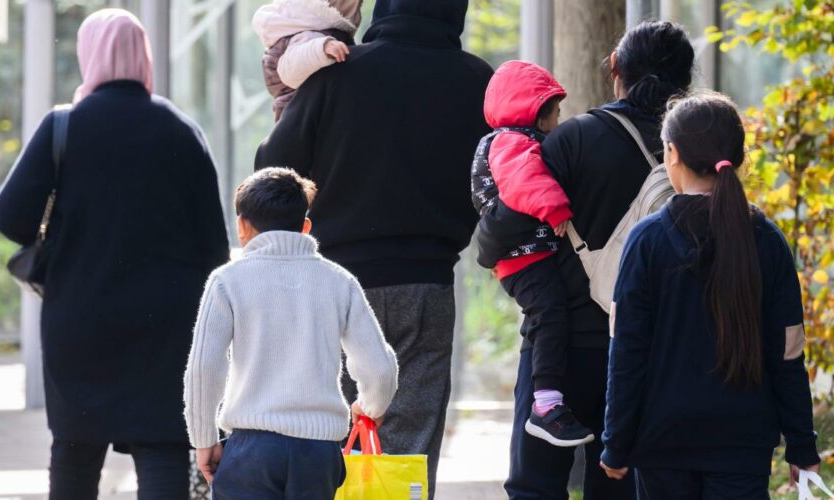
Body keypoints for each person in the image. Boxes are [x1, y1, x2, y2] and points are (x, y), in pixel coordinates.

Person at [254, 0, 493, 496]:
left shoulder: (338, 68)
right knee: (407, 443)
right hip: (427, 282)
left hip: (333, 282)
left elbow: (272, 166)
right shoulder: (476, 81)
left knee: (327, 433)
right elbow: (490, 179)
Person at [0, 9, 229, 499]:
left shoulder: (63, 127)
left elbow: (10, 219)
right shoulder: (182, 133)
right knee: (164, 448)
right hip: (164, 327)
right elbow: (213, 247)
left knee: (76, 454)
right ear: (143, 57)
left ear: (88, 55)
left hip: (80, 321)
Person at [505, 21, 696, 499]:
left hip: (560, 346)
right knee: (619, 487)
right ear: (686, 81)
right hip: (647, 348)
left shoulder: (572, 139)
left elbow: (506, 228)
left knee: (535, 484)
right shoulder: (694, 154)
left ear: (617, 71)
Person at [600, 91, 821, 498]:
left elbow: (627, 351)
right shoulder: (767, 240)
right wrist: (801, 445)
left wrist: (616, 442)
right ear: (736, 157)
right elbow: (788, 353)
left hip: (662, 441)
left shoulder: (646, 240)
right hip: (743, 445)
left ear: (672, 154)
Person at [184, 167, 398, 499]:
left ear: (242, 226)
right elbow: (380, 369)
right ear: (306, 226)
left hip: (250, 451)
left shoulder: (227, 281)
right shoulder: (339, 281)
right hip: (318, 452)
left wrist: (203, 438)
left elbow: (204, 369)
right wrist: (371, 406)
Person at [471, 61, 593, 447]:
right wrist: (557, 209)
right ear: (536, 113)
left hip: (521, 253)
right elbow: (524, 186)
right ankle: (546, 404)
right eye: (554, 113)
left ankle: (547, 400)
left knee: (548, 313)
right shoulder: (511, 142)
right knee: (550, 314)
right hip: (522, 255)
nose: (558, 123)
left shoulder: (509, 139)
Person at [253, 0, 363, 121]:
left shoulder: (315, 26)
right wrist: (321, 48)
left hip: (308, 110)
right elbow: (289, 70)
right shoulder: (308, 34)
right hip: (297, 114)